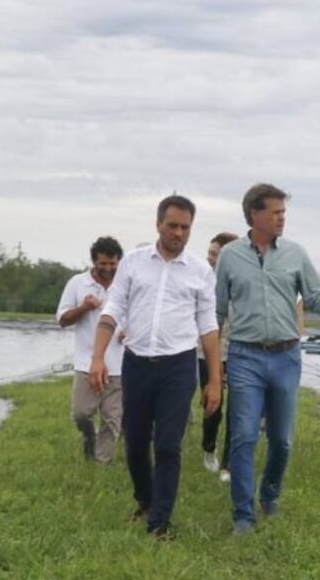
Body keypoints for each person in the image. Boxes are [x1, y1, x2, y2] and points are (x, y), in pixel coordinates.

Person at [215, 183, 320, 534]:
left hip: (286, 357)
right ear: (255, 214)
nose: (282, 218)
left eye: (284, 212)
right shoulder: (230, 257)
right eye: (276, 212)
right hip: (244, 356)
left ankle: (269, 494)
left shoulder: (295, 254)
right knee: (244, 436)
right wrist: (213, 365)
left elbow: (316, 296)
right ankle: (243, 514)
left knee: (282, 440)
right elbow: (216, 310)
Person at [89, 194, 222, 539]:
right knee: (134, 443)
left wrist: (215, 382)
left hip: (178, 367)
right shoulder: (133, 263)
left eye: (185, 227)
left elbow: (208, 327)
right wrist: (98, 357)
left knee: (167, 445)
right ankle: (145, 500)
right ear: (158, 225)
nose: (179, 233)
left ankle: (159, 523)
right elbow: (112, 310)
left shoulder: (200, 272)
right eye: (172, 226)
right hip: (137, 363)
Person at [55, 236, 124, 463]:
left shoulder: (125, 283)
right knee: (81, 413)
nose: (108, 268)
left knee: (112, 419)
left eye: (112, 263)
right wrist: (84, 307)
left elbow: (136, 316)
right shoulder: (77, 283)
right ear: (94, 261)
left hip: (118, 365)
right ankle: (89, 437)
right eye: (103, 263)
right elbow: (62, 320)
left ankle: (102, 463)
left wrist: (129, 331)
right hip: (86, 363)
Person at [200, 231, 239, 481]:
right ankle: (209, 446)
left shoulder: (239, 279)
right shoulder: (202, 279)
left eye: (215, 254)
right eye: (210, 253)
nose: (210, 258)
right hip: (205, 351)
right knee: (213, 404)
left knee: (238, 408)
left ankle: (228, 463)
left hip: (237, 350)